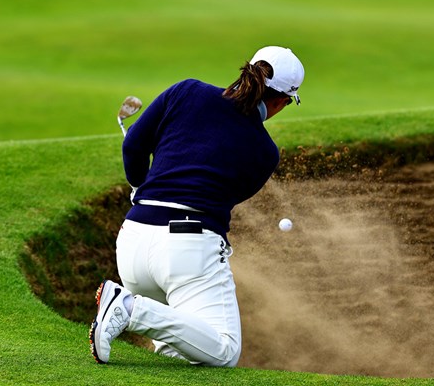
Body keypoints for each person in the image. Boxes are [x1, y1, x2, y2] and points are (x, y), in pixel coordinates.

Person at [89, 46, 305, 367]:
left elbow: (134, 144)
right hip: (186, 251)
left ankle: (132, 307)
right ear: (280, 102)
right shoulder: (265, 152)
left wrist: (139, 185)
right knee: (225, 350)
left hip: (132, 241)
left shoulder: (186, 90)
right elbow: (226, 196)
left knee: (181, 355)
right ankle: (129, 309)